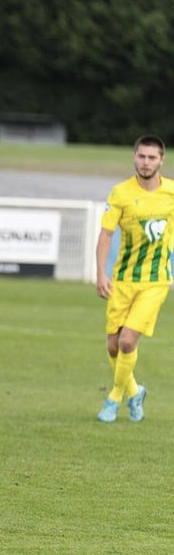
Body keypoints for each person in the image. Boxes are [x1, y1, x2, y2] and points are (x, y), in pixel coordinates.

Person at [94, 134, 174, 423]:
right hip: (123, 281)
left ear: (161, 160)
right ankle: (135, 390)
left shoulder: (171, 193)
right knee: (113, 346)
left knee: (128, 342)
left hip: (155, 282)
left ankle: (114, 398)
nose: (146, 162)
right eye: (141, 156)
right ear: (134, 157)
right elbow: (105, 235)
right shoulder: (120, 193)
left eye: (152, 157)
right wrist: (100, 272)